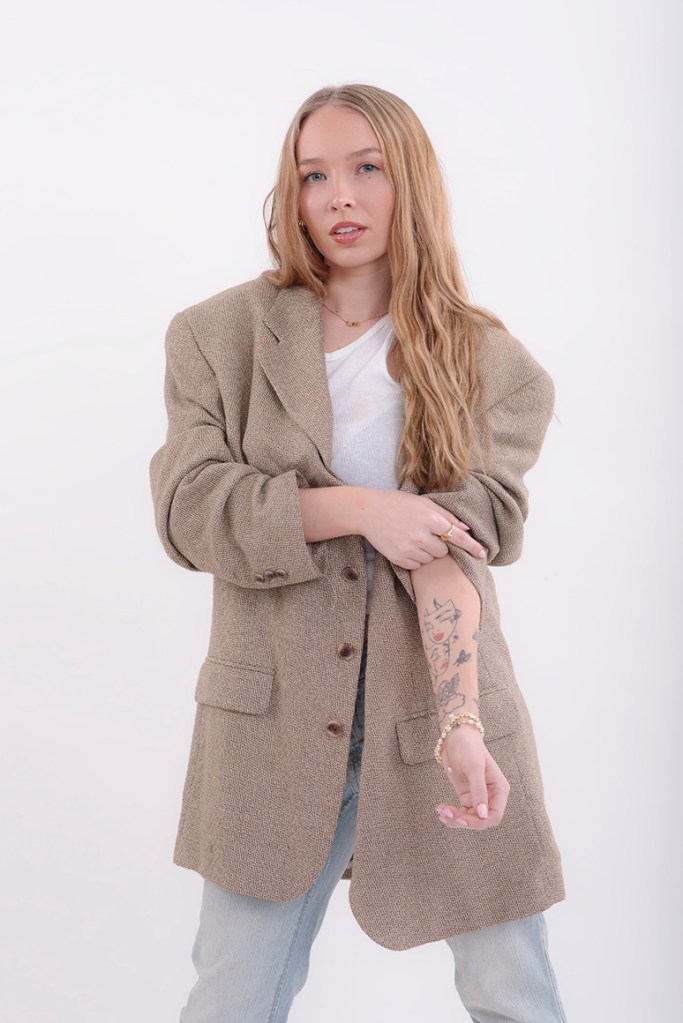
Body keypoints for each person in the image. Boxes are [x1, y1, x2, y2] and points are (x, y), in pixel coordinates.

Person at [149, 83, 568, 1022]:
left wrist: (462, 721)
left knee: (511, 991)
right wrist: (359, 509)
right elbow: (188, 509)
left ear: (409, 180)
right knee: (231, 998)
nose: (338, 195)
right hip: (272, 720)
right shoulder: (217, 338)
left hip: (436, 716)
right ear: (291, 194)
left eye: (366, 168)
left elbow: (452, 551)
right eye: (313, 175)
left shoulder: (495, 368)